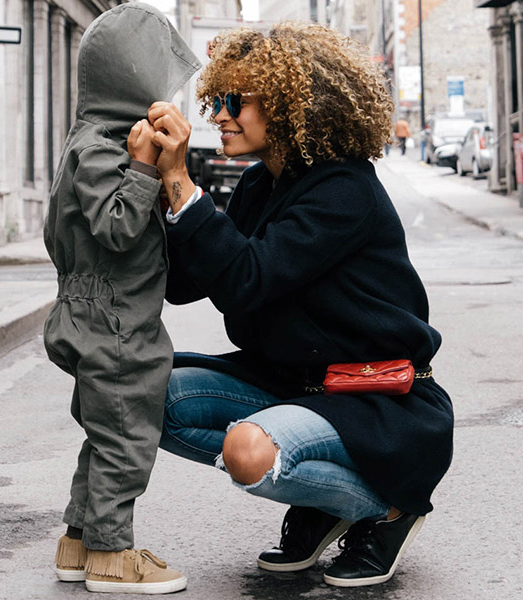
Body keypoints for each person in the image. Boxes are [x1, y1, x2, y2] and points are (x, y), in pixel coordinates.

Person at [148, 21, 454, 588]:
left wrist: (182, 183)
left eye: (235, 101)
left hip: (375, 400)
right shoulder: (259, 185)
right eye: (216, 100)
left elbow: (246, 279)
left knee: (247, 452)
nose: (219, 116)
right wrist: (156, 182)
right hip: (291, 384)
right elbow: (186, 282)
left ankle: (386, 508)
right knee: (145, 398)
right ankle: (325, 501)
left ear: (290, 105)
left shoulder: (344, 190)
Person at [42, 3, 200, 594]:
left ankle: (79, 543)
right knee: (127, 441)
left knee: (104, 435)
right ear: (131, 78)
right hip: (115, 322)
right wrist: (142, 169)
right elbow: (117, 227)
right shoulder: (106, 149)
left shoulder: (87, 140)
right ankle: (112, 556)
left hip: (91, 312)